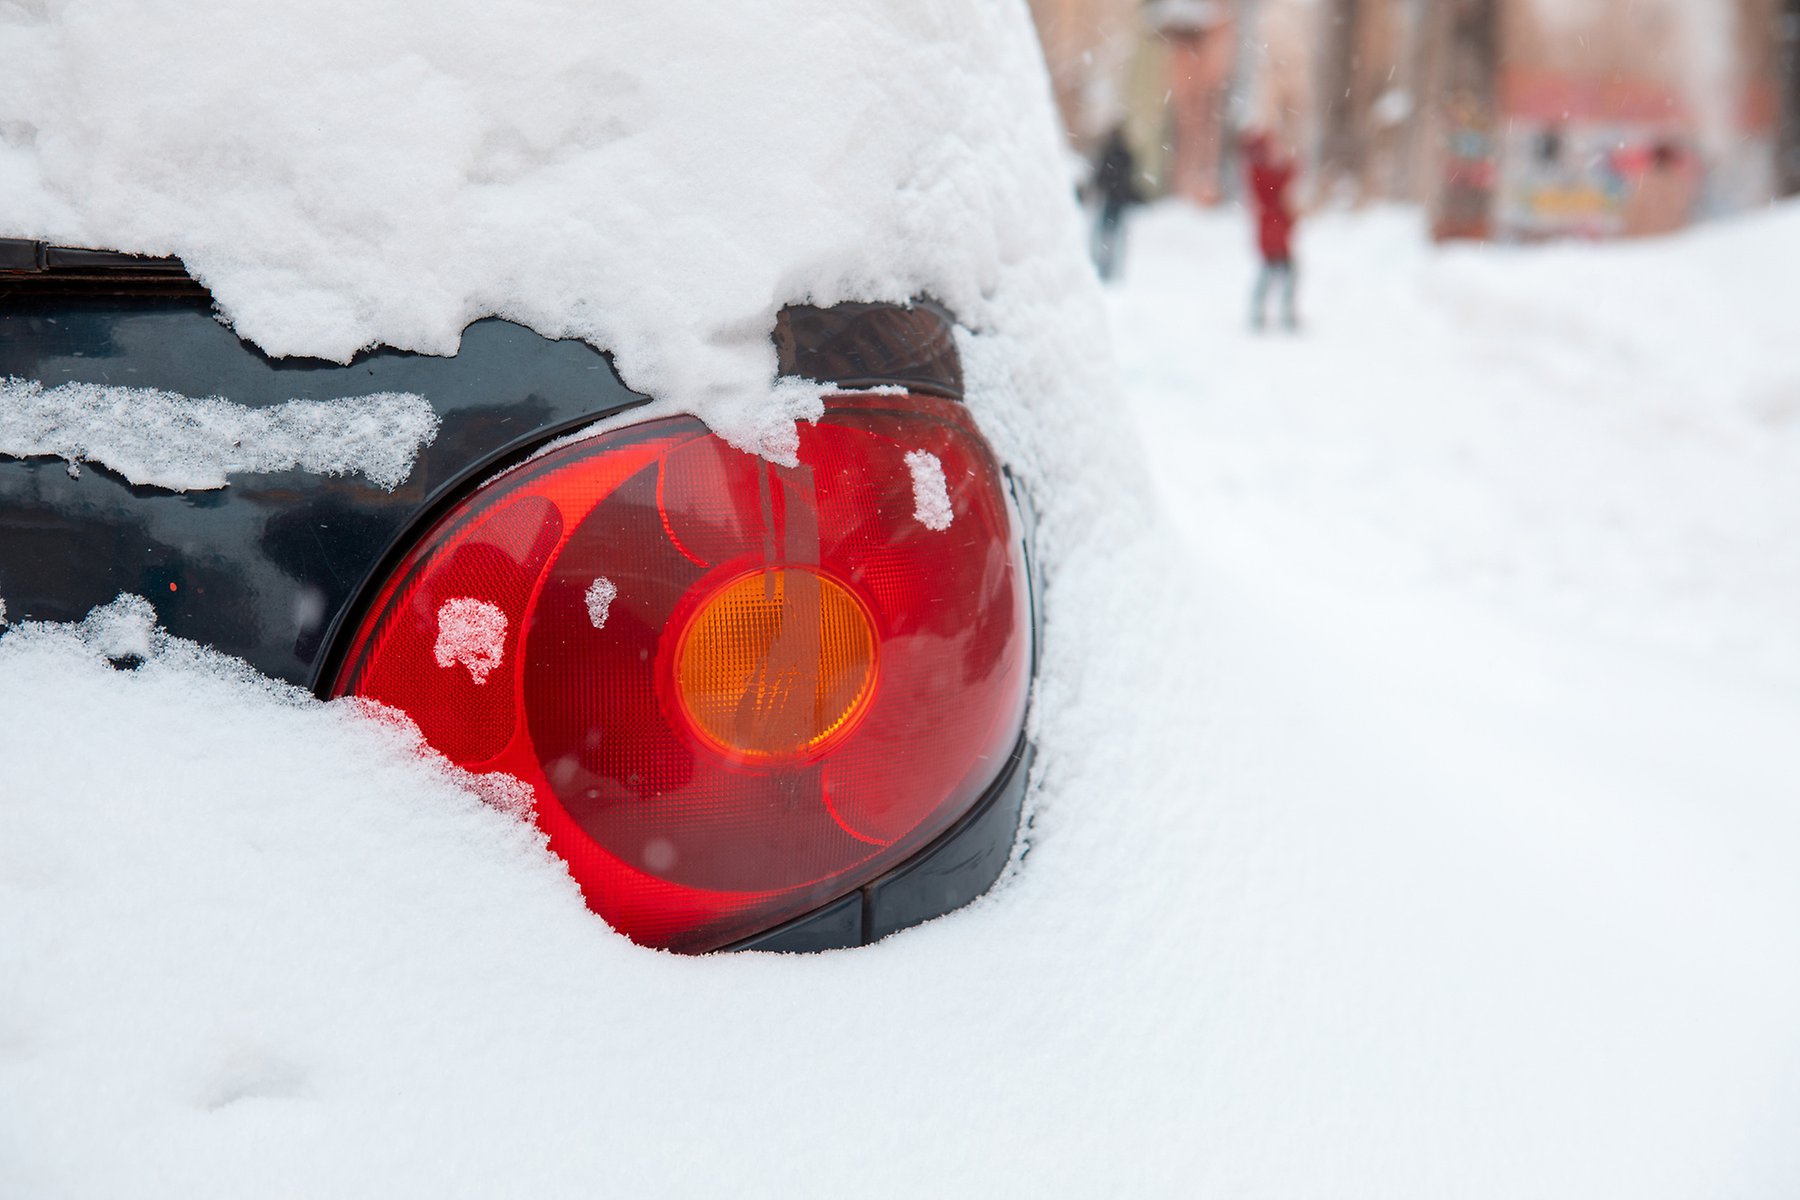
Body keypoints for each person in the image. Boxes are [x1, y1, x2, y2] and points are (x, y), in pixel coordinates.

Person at [1242, 131, 1299, 330]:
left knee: (1276, 272)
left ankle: (1266, 312)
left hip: (1274, 232)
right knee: (1280, 272)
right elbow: (1279, 182)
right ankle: (1278, 313)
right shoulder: (1259, 172)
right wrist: (1292, 164)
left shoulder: (1258, 170)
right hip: (1272, 234)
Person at [1090, 127, 1142, 282]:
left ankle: (1104, 267)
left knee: (1105, 234)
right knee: (1116, 235)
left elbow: (1101, 176)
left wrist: (1099, 187)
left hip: (1110, 199)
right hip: (1120, 200)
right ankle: (1113, 268)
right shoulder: (1126, 154)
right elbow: (1131, 179)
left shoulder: (1108, 153)